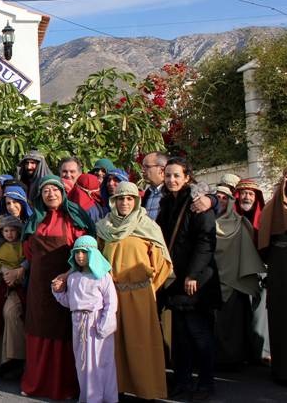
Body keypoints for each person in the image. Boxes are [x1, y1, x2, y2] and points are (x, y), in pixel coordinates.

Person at [13, 175, 93, 399]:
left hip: (66, 283)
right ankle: (36, 383)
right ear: (40, 195)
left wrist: (68, 276)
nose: (51, 194)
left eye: (55, 190)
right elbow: (28, 251)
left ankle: (63, 386)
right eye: (46, 190)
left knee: (62, 332)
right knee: (38, 329)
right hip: (38, 286)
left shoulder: (74, 218)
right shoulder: (34, 220)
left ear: (63, 192)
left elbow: (85, 252)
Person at [96, 181, 172, 400]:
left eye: (129, 198)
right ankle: (116, 388)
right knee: (114, 345)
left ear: (137, 201)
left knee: (142, 344)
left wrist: (146, 288)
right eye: (120, 198)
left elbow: (162, 263)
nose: (125, 202)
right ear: (114, 201)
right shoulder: (104, 227)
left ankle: (147, 390)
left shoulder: (148, 227)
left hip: (140, 295)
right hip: (113, 295)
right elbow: (98, 259)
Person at [157, 158, 220, 401]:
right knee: (180, 335)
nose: (171, 180)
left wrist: (194, 274)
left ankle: (205, 383)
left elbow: (206, 241)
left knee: (199, 333)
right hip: (175, 279)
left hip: (196, 280)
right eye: (168, 175)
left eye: (176, 176)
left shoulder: (197, 203)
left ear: (187, 177)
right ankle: (182, 381)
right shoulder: (167, 203)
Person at [51, 236, 118, 403]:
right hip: (78, 322)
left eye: (84, 252)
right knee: (83, 363)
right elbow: (70, 302)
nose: (80, 256)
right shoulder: (73, 278)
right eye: (77, 252)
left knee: (100, 362)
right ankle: (89, 397)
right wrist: (57, 291)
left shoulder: (102, 277)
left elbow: (111, 302)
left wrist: (104, 325)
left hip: (96, 322)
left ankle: (106, 397)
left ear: (93, 254)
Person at [258, 163, 287, 384]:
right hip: (283, 279)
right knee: (285, 323)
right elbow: (264, 248)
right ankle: (286, 373)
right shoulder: (271, 210)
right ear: (286, 184)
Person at [212, 185, 264, 369]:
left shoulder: (241, 222)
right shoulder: (207, 220)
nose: (221, 201)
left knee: (237, 321)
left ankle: (239, 358)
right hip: (213, 279)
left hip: (237, 278)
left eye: (224, 197)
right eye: (217, 197)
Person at [0, 215, 26, 375]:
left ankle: (14, 358)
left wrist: (16, 275)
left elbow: (24, 263)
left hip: (16, 287)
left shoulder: (21, 247)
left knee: (10, 313)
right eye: (6, 231)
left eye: (12, 230)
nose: (9, 234)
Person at [140, 151, 169, 220]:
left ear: (162, 170)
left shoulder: (172, 193)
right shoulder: (148, 193)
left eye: (147, 166)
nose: (142, 170)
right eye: (143, 167)